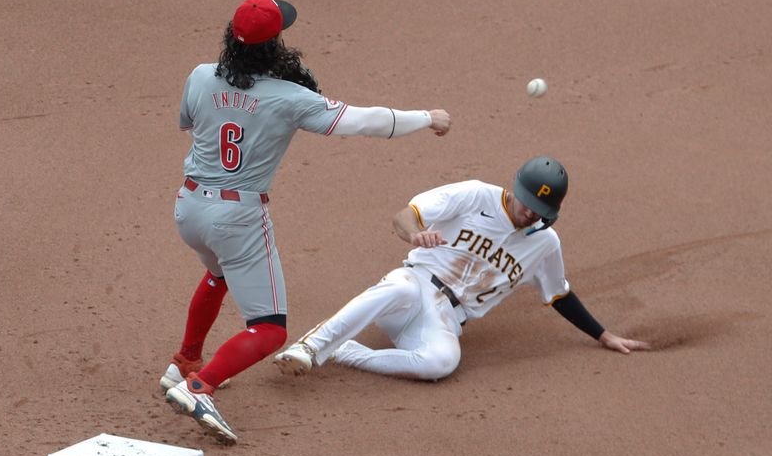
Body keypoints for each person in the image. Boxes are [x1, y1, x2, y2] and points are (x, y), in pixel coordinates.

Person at [162, 0, 452, 445]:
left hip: (189, 208)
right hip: (236, 218)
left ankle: (185, 361)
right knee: (269, 328)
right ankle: (199, 388)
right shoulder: (291, 98)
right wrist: (426, 117)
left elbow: (193, 122)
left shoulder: (200, 76)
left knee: (218, 272)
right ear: (275, 43)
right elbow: (365, 122)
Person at [274, 156, 651, 381]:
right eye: (526, 202)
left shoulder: (544, 244)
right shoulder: (474, 195)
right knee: (399, 287)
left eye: (540, 210)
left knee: (443, 363)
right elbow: (405, 215)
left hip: (445, 320)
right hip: (416, 285)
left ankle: (346, 351)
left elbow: (559, 294)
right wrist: (415, 235)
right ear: (515, 188)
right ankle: (312, 345)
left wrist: (602, 335)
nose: (530, 212)